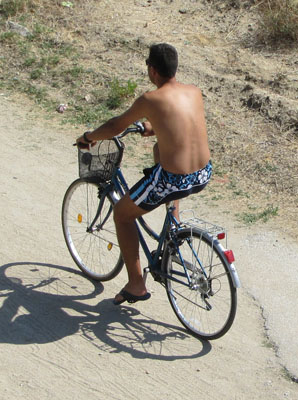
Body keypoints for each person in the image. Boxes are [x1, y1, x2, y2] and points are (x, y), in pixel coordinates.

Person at [76, 43, 212, 305]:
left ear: (152, 70)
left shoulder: (150, 99)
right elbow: (181, 123)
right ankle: (173, 217)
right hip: (203, 172)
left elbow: (116, 125)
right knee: (160, 148)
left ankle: (136, 284)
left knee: (122, 214)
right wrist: (154, 126)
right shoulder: (193, 92)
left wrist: (89, 137)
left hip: (173, 180)